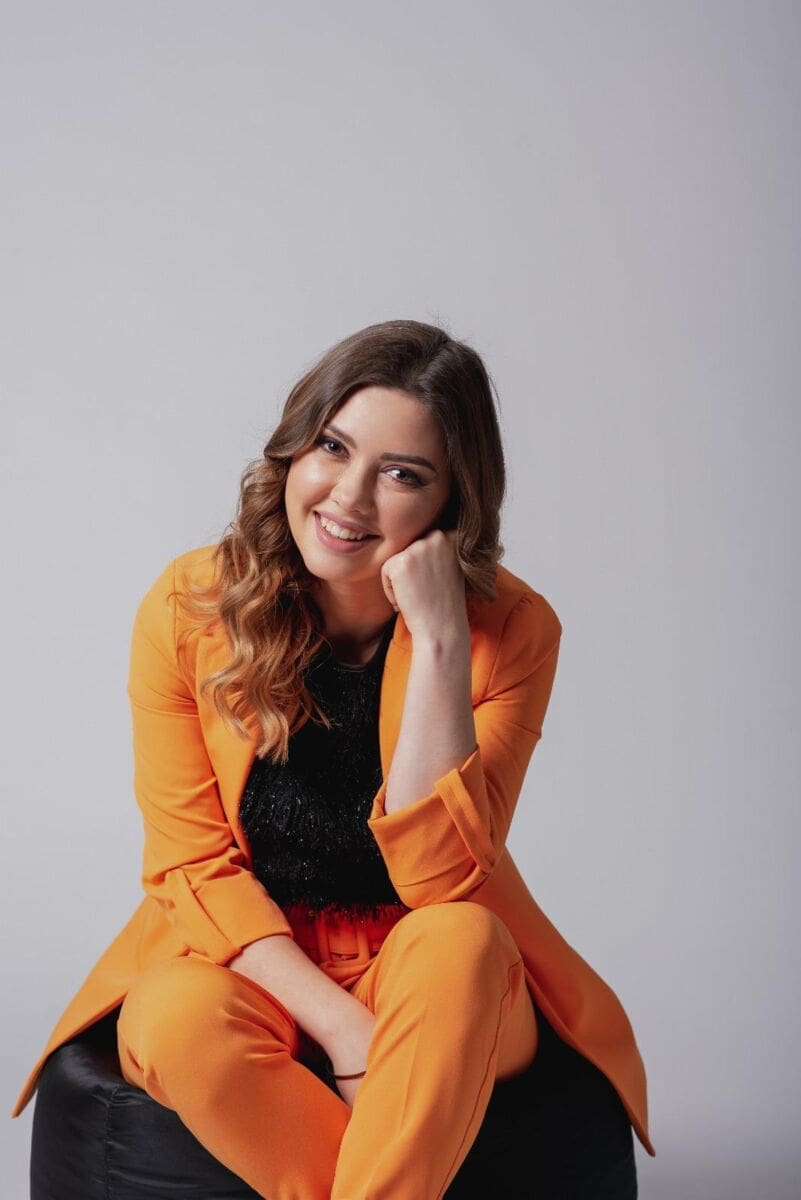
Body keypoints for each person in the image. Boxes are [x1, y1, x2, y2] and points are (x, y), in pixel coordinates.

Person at [12, 319, 654, 1196]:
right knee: (170, 1015)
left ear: (451, 504)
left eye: (402, 474)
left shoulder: (512, 631)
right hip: (255, 964)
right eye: (332, 447)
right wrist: (347, 1033)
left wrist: (439, 638)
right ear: (294, 448)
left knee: (462, 941)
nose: (348, 497)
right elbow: (190, 866)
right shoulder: (188, 607)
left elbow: (441, 881)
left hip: (434, 978)